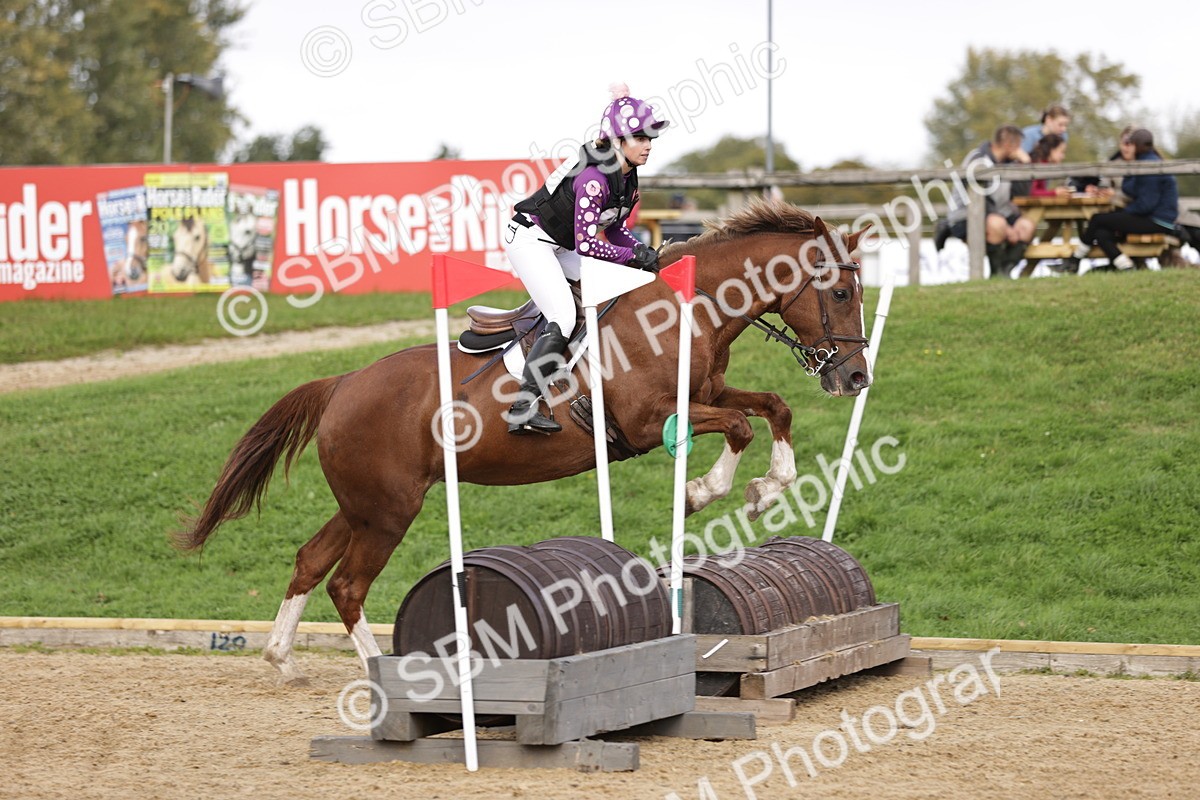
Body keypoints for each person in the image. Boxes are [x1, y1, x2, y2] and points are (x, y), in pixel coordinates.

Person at [501, 84, 668, 435]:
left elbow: (617, 231)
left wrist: (642, 255)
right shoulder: (594, 179)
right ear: (618, 141)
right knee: (562, 315)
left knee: (615, 290)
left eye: (650, 136)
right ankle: (521, 406)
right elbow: (589, 245)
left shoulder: (628, 177)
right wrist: (632, 254)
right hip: (531, 240)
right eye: (639, 137)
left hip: (562, 245)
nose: (648, 144)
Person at [1068, 128, 1178, 272]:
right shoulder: (1143, 162)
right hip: (1153, 218)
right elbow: (1130, 189)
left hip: (1157, 221)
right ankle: (1126, 267)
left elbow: (1146, 205)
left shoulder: (1149, 166)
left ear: (1137, 146)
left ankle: (1074, 260)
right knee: (1101, 232)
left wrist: (1123, 214)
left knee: (1097, 219)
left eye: (1130, 144)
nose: (1126, 148)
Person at [943, 125, 1035, 278]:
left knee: (1027, 226)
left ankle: (1005, 272)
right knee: (997, 224)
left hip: (998, 214)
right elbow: (976, 198)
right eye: (1018, 145)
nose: (1021, 149)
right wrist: (1005, 226)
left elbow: (1021, 193)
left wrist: (1025, 164)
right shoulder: (978, 158)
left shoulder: (1010, 163)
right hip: (965, 216)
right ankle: (995, 274)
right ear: (1008, 144)